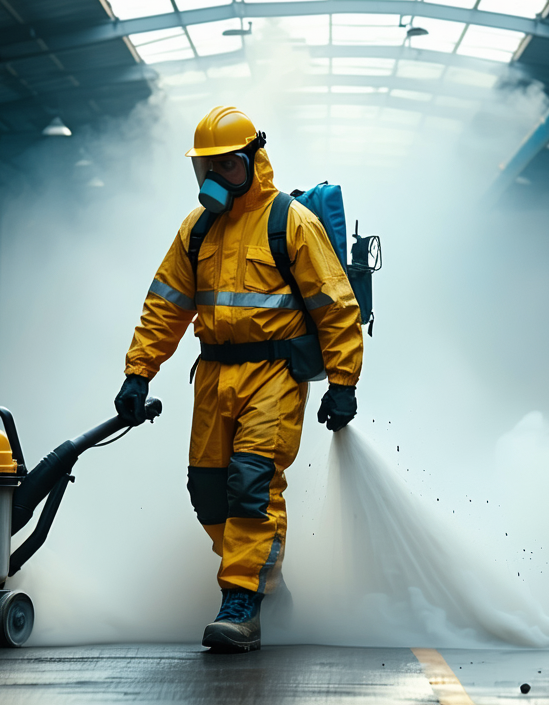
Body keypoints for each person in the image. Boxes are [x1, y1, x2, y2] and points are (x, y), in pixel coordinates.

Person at [114, 106, 363, 653]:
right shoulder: (196, 230)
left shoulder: (291, 222)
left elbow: (336, 307)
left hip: (273, 376)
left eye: (226, 166)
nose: (215, 179)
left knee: (251, 487)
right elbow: (165, 306)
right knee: (208, 493)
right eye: (206, 169)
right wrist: (138, 373)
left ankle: (241, 600)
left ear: (254, 160)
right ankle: (265, 583)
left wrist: (343, 382)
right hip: (212, 376)